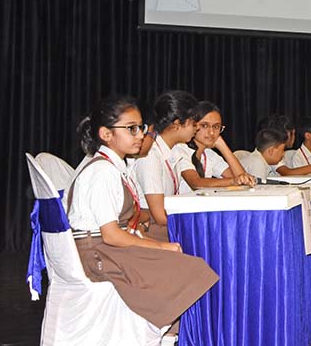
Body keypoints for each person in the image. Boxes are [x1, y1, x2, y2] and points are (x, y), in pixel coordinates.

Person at [67, 95, 218, 328]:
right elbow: (111, 235)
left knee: (184, 263)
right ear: (106, 134)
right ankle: (163, 340)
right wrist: (160, 246)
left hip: (106, 248)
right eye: (132, 129)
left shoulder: (115, 166)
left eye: (141, 128)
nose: (140, 135)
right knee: (188, 268)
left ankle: (166, 339)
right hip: (98, 255)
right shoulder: (103, 172)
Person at [133, 90, 199, 239]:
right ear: (177, 124)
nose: (197, 128)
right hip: (151, 228)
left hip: (164, 224)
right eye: (193, 123)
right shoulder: (150, 156)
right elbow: (160, 217)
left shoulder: (174, 150)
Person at [172, 101, 256, 189]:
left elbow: (241, 178)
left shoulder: (208, 154)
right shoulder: (180, 149)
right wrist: (233, 181)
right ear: (193, 125)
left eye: (216, 127)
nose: (211, 132)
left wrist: (223, 147)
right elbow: (196, 183)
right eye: (204, 126)